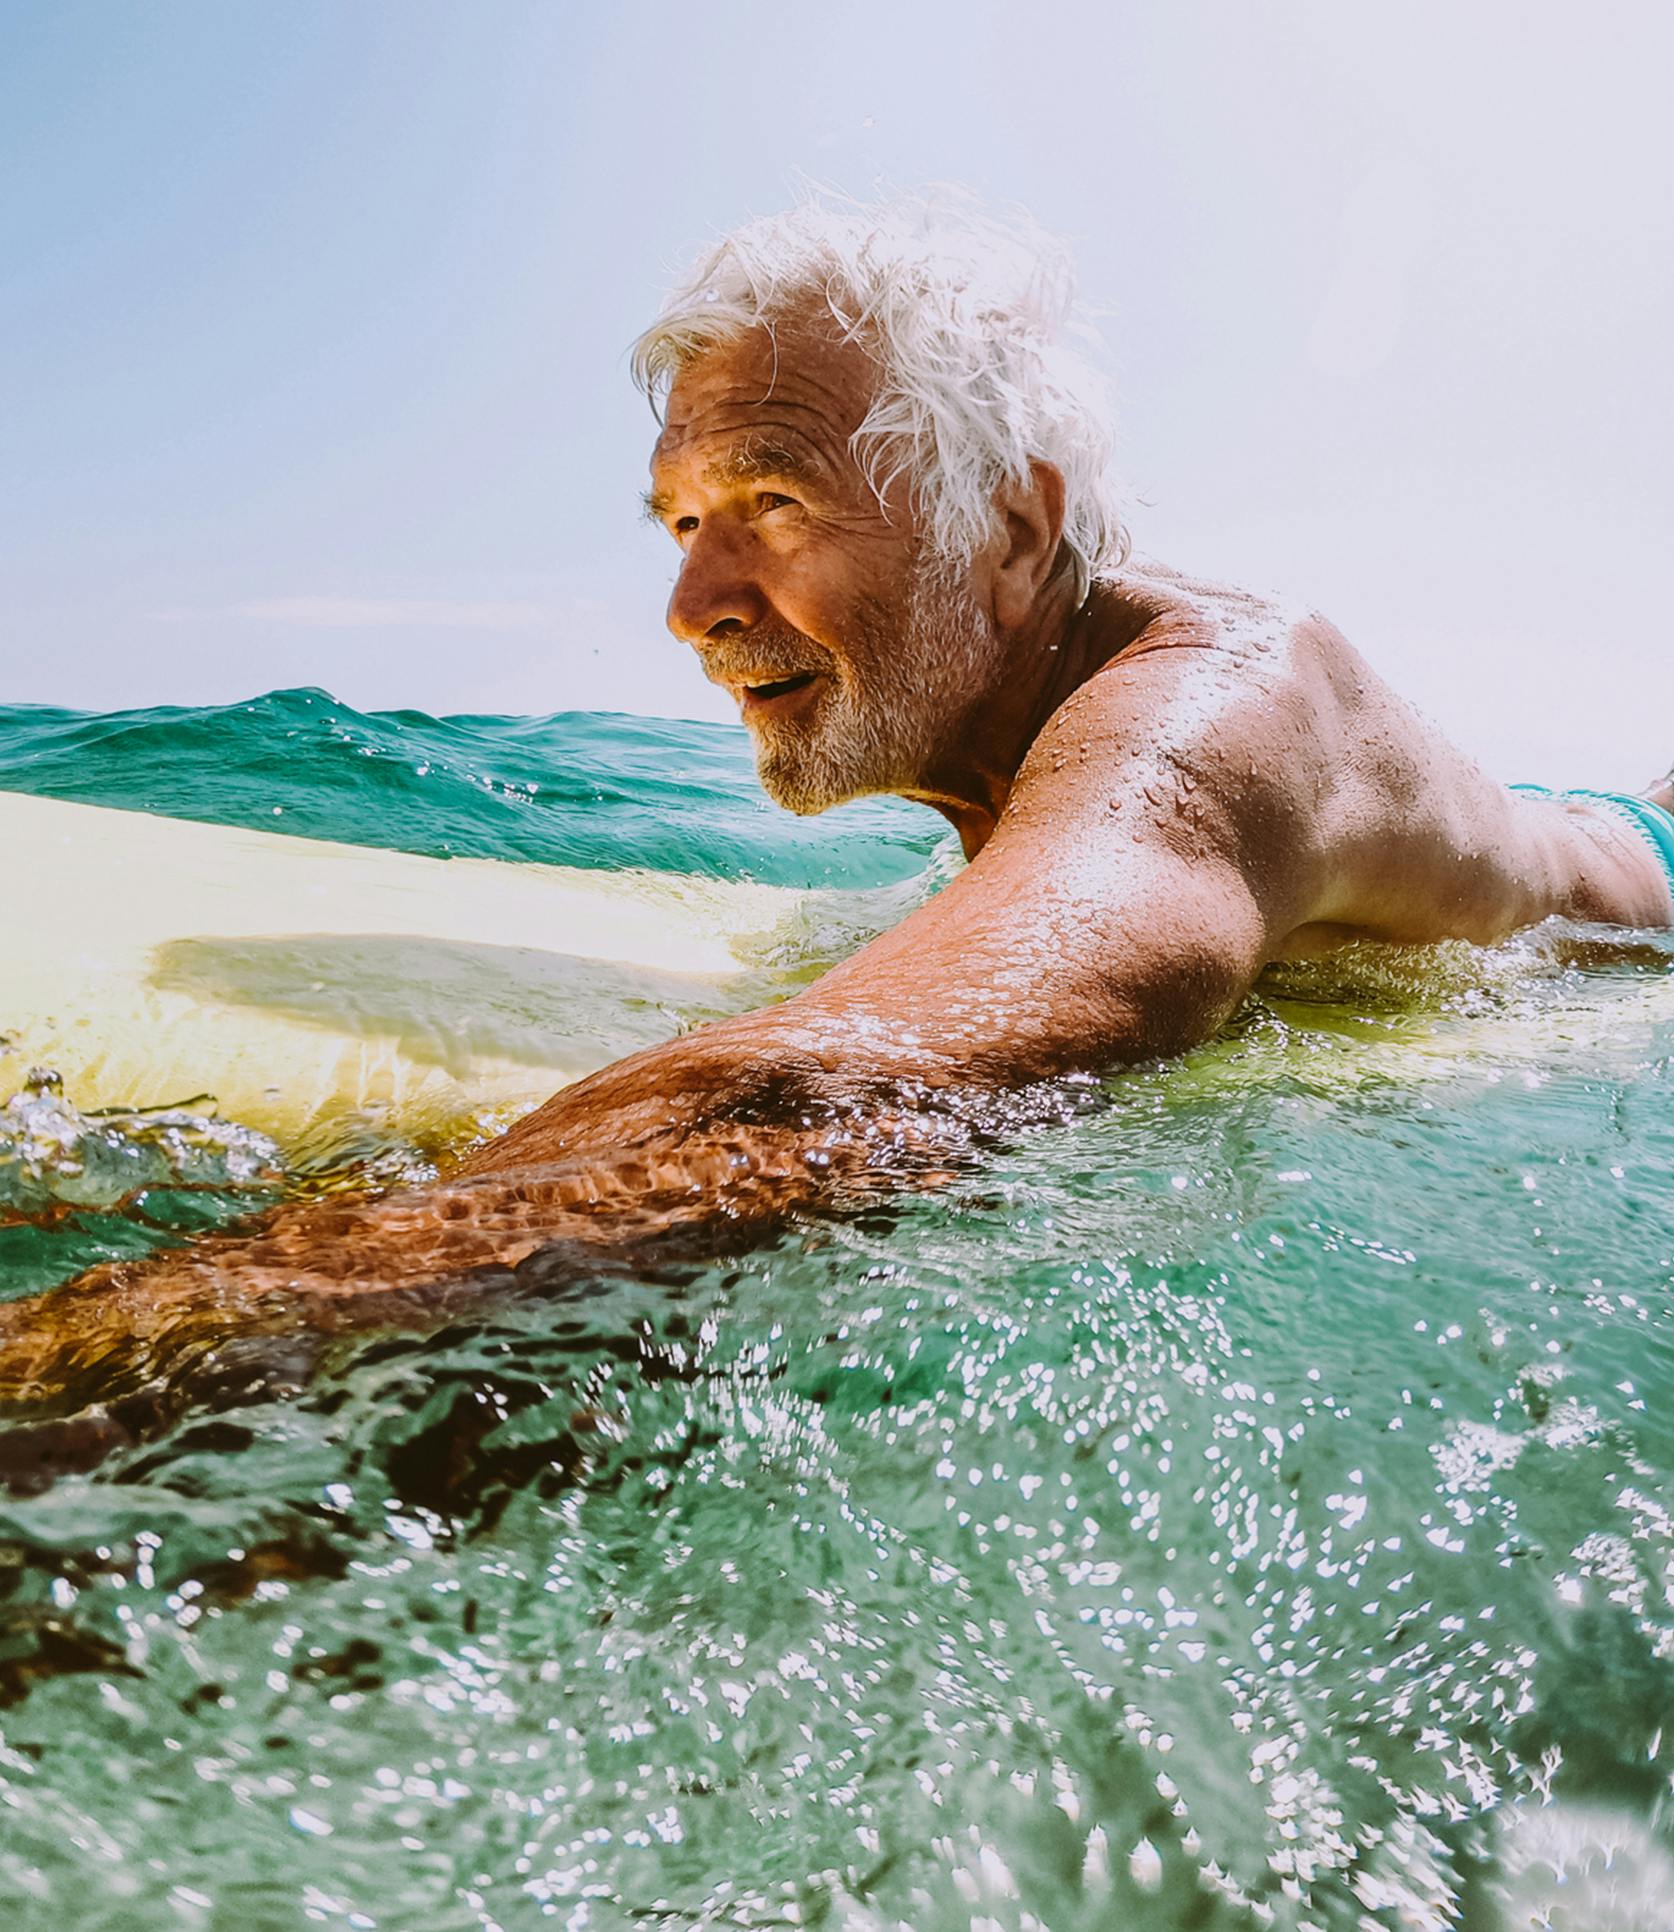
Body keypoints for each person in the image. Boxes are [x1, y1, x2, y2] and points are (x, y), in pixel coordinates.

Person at [2, 192, 1671, 1472]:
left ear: (1011, 528)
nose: (689, 606)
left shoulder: (1219, 719)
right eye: (678, 523)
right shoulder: (1027, 739)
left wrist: (138, 1355)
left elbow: (850, 1084)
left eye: (772, 504)